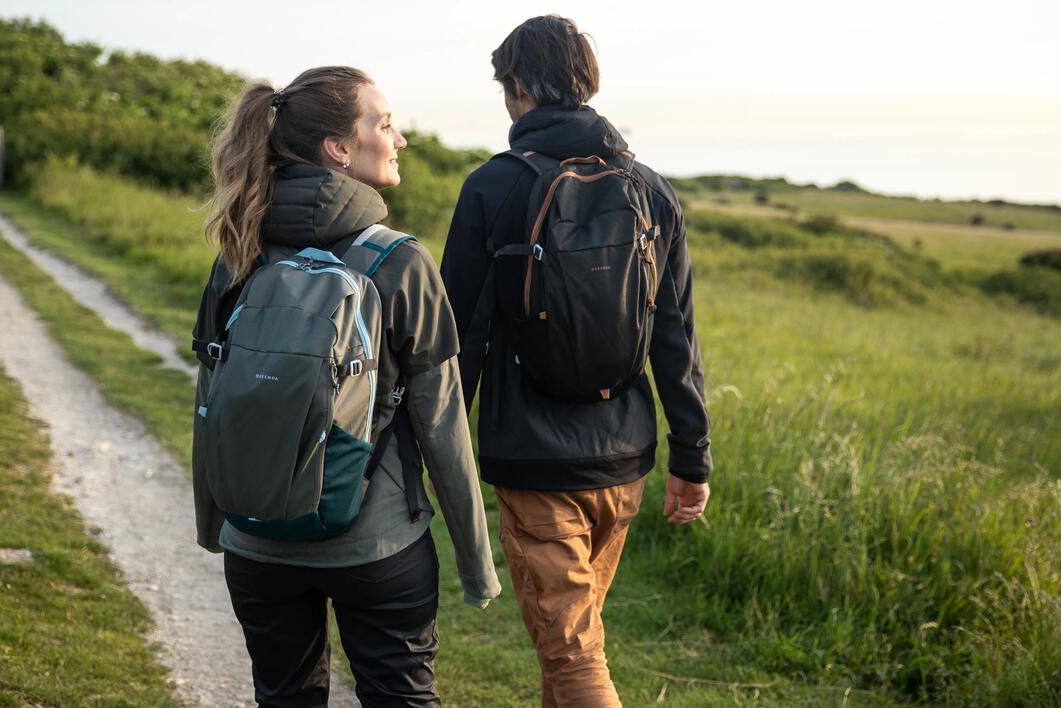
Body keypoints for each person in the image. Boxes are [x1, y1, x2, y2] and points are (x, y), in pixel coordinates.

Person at [193, 66, 501, 707]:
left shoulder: (239, 250)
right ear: (338, 148)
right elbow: (443, 423)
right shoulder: (401, 262)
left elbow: (212, 400)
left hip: (255, 543)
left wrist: (215, 525)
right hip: (375, 544)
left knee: (283, 698)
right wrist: (477, 566)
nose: (399, 139)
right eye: (384, 124)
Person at [440, 17, 712, 707]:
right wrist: (692, 456)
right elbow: (676, 334)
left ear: (520, 87)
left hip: (534, 460)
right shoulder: (650, 189)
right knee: (566, 651)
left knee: (573, 659)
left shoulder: (492, 186)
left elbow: (458, 339)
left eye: (506, 88)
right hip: (624, 460)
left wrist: (435, 455)